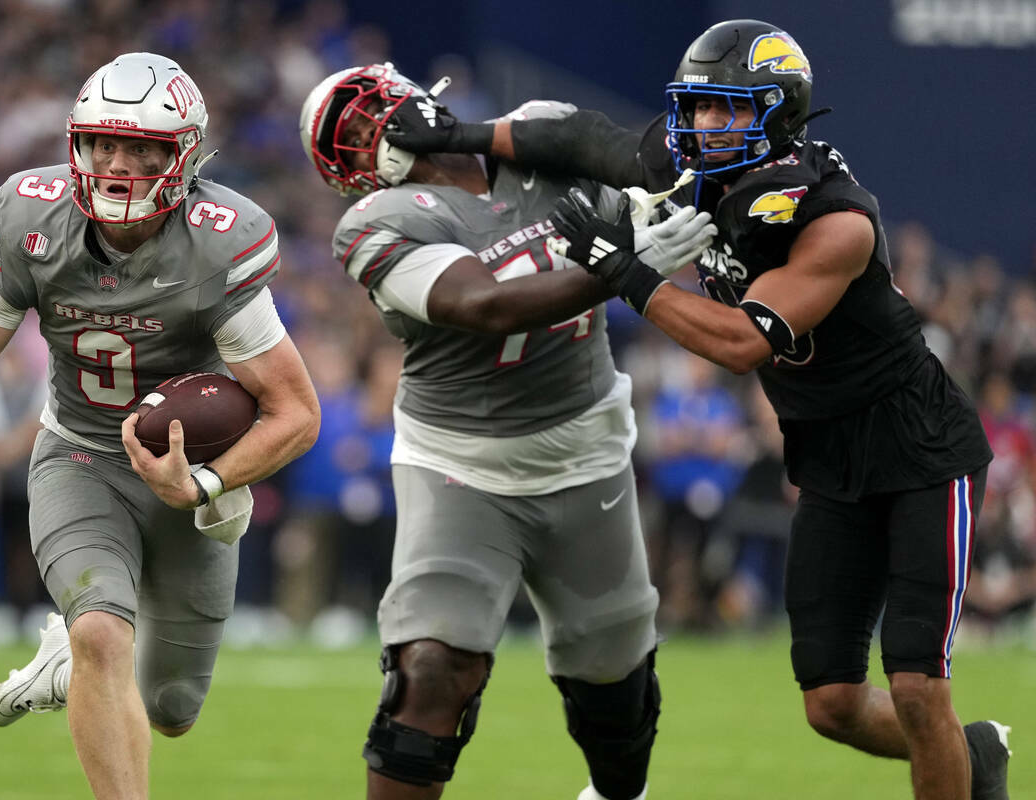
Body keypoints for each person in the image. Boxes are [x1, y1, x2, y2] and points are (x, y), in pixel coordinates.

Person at [382, 18, 1011, 800]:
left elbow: (744, 342)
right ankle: (973, 757)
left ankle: (952, 753)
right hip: (828, 459)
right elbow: (579, 135)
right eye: (698, 107)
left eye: (726, 110)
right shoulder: (693, 164)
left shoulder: (835, 217)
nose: (703, 127)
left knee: (918, 688)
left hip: (920, 453)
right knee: (833, 705)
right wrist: (465, 133)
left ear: (779, 114)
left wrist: (627, 272)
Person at [0, 53, 320, 800]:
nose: (119, 163)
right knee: (100, 632)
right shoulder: (34, 220)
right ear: (77, 144)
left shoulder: (218, 242)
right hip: (81, 456)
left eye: (144, 147)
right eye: (105, 143)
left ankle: (69, 665)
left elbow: (297, 412)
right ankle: (82, 653)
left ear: (182, 155)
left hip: (185, 479)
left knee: (172, 710)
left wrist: (205, 481)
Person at [298, 63, 714, 800]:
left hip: (586, 448)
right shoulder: (376, 223)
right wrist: (630, 267)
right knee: (429, 670)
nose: (373, 137)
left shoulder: (536, 130)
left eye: (369, 115)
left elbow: (640, 156)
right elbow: (488, 306)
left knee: (615, 688)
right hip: (462, 464)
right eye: (351, 141)